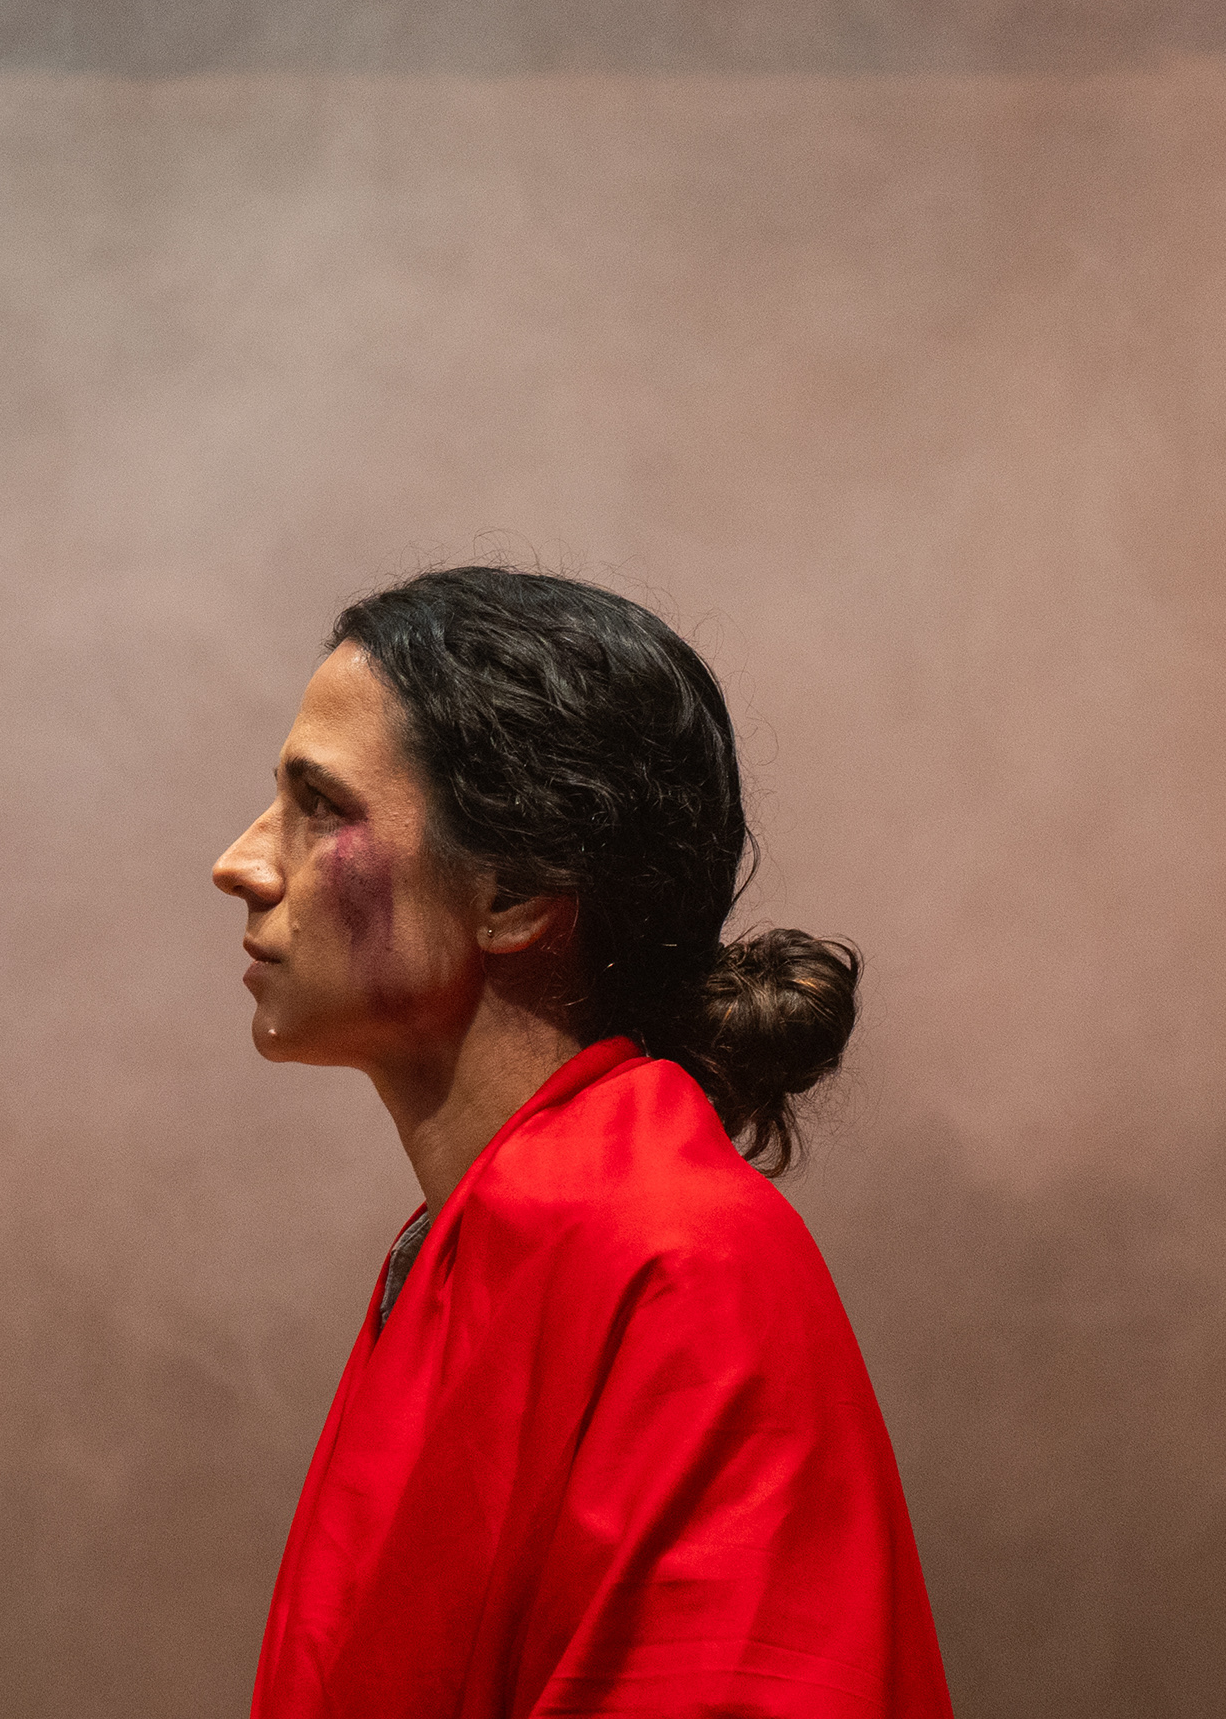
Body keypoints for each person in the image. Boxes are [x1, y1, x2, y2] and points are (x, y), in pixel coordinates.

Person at [214, 566, 950, 1719]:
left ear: (514, 894)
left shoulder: (682, 1261)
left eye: (320, 806)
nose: (244, 861)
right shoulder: (475, 1244)